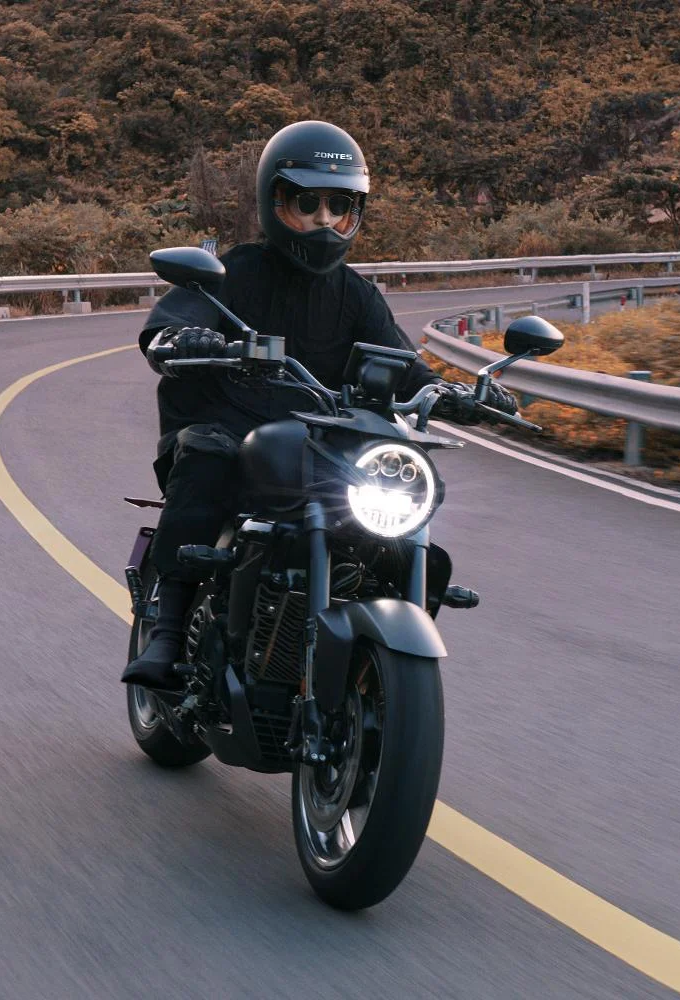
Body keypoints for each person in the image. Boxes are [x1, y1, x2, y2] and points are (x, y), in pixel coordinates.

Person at [123, 120, 514, 689]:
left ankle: (379, 646)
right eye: (308, 204)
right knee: (206, 455)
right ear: (275, 202)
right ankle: (169, 627)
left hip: (323, 449)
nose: (324, 220)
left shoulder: (357, 294)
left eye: (339, 205)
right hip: (232, 430)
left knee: (404, 481)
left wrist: (453, 391)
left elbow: (403, 364)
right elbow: (172, 322)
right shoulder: (231, 274)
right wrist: (182, 338)